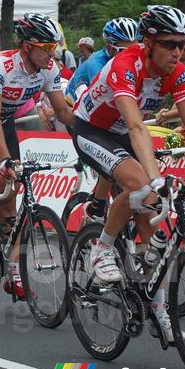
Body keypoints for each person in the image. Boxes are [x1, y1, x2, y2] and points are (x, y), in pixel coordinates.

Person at [71, 5, 185, 342]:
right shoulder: (126, 64)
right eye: (169, 44)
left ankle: (158, 307)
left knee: (150, 221)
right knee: (143, 185)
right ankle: (102, 248)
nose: (178, 51)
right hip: (93, 130)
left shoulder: (177, 71)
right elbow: (135, 125)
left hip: (125, 134)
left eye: (182, 44)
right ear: (148, 42)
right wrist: (155, 177)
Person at [0, 13, 73, 300]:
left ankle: (14, 271)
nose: (53, 53)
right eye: (46, 47)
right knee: (0, 174)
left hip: (4, 123)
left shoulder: (49, 69)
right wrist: (5, 159)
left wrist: (84, 137)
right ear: (26, 46)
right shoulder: (0, 66)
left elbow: (63, 112)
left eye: (54, 46)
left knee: (14, 198)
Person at [66, 17, 140, 223]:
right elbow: (113, 97)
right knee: (109, 160)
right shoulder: (96, 63)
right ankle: (97, 205)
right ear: (109, 46)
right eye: (125, 49)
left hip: (104, 110)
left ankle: (108, 201)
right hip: (78, 105)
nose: (132, 53)